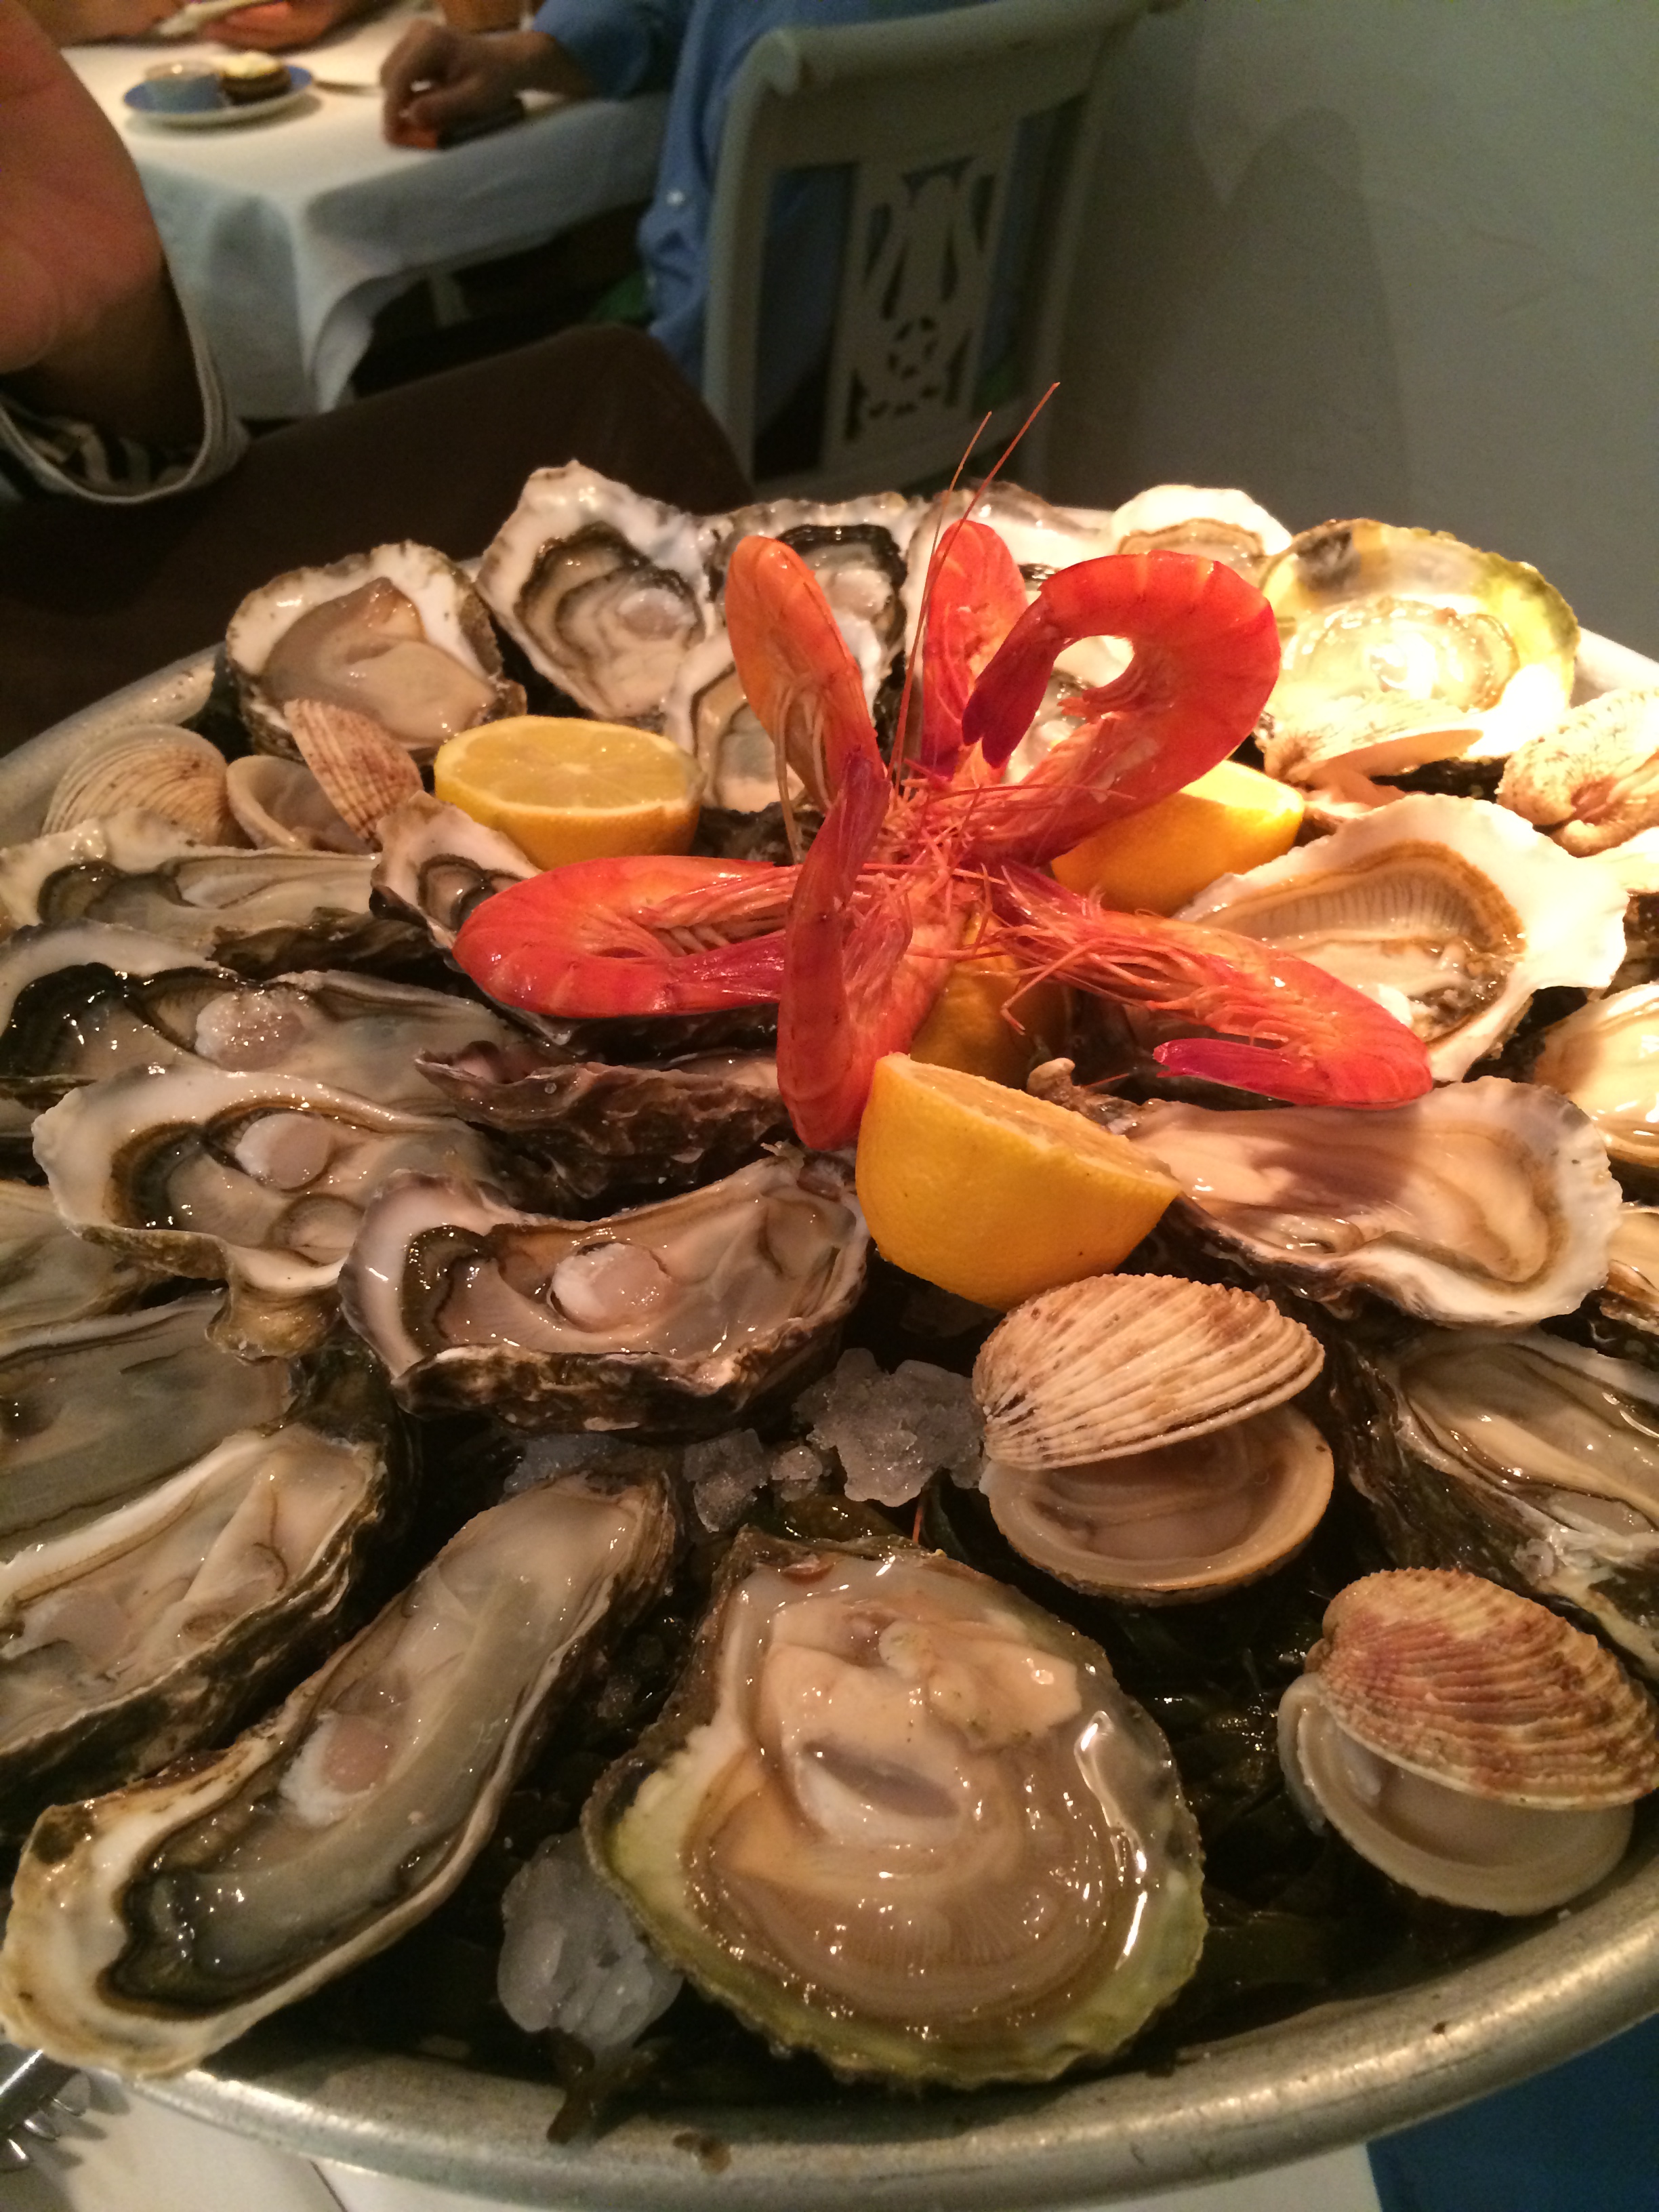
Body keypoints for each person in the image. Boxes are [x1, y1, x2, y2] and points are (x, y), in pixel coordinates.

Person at [380, 0, 968, 434]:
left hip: (749, 426)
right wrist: (523, 57)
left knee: (379, 418)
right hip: (968, 380)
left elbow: (717, 375)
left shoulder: (792, 46)